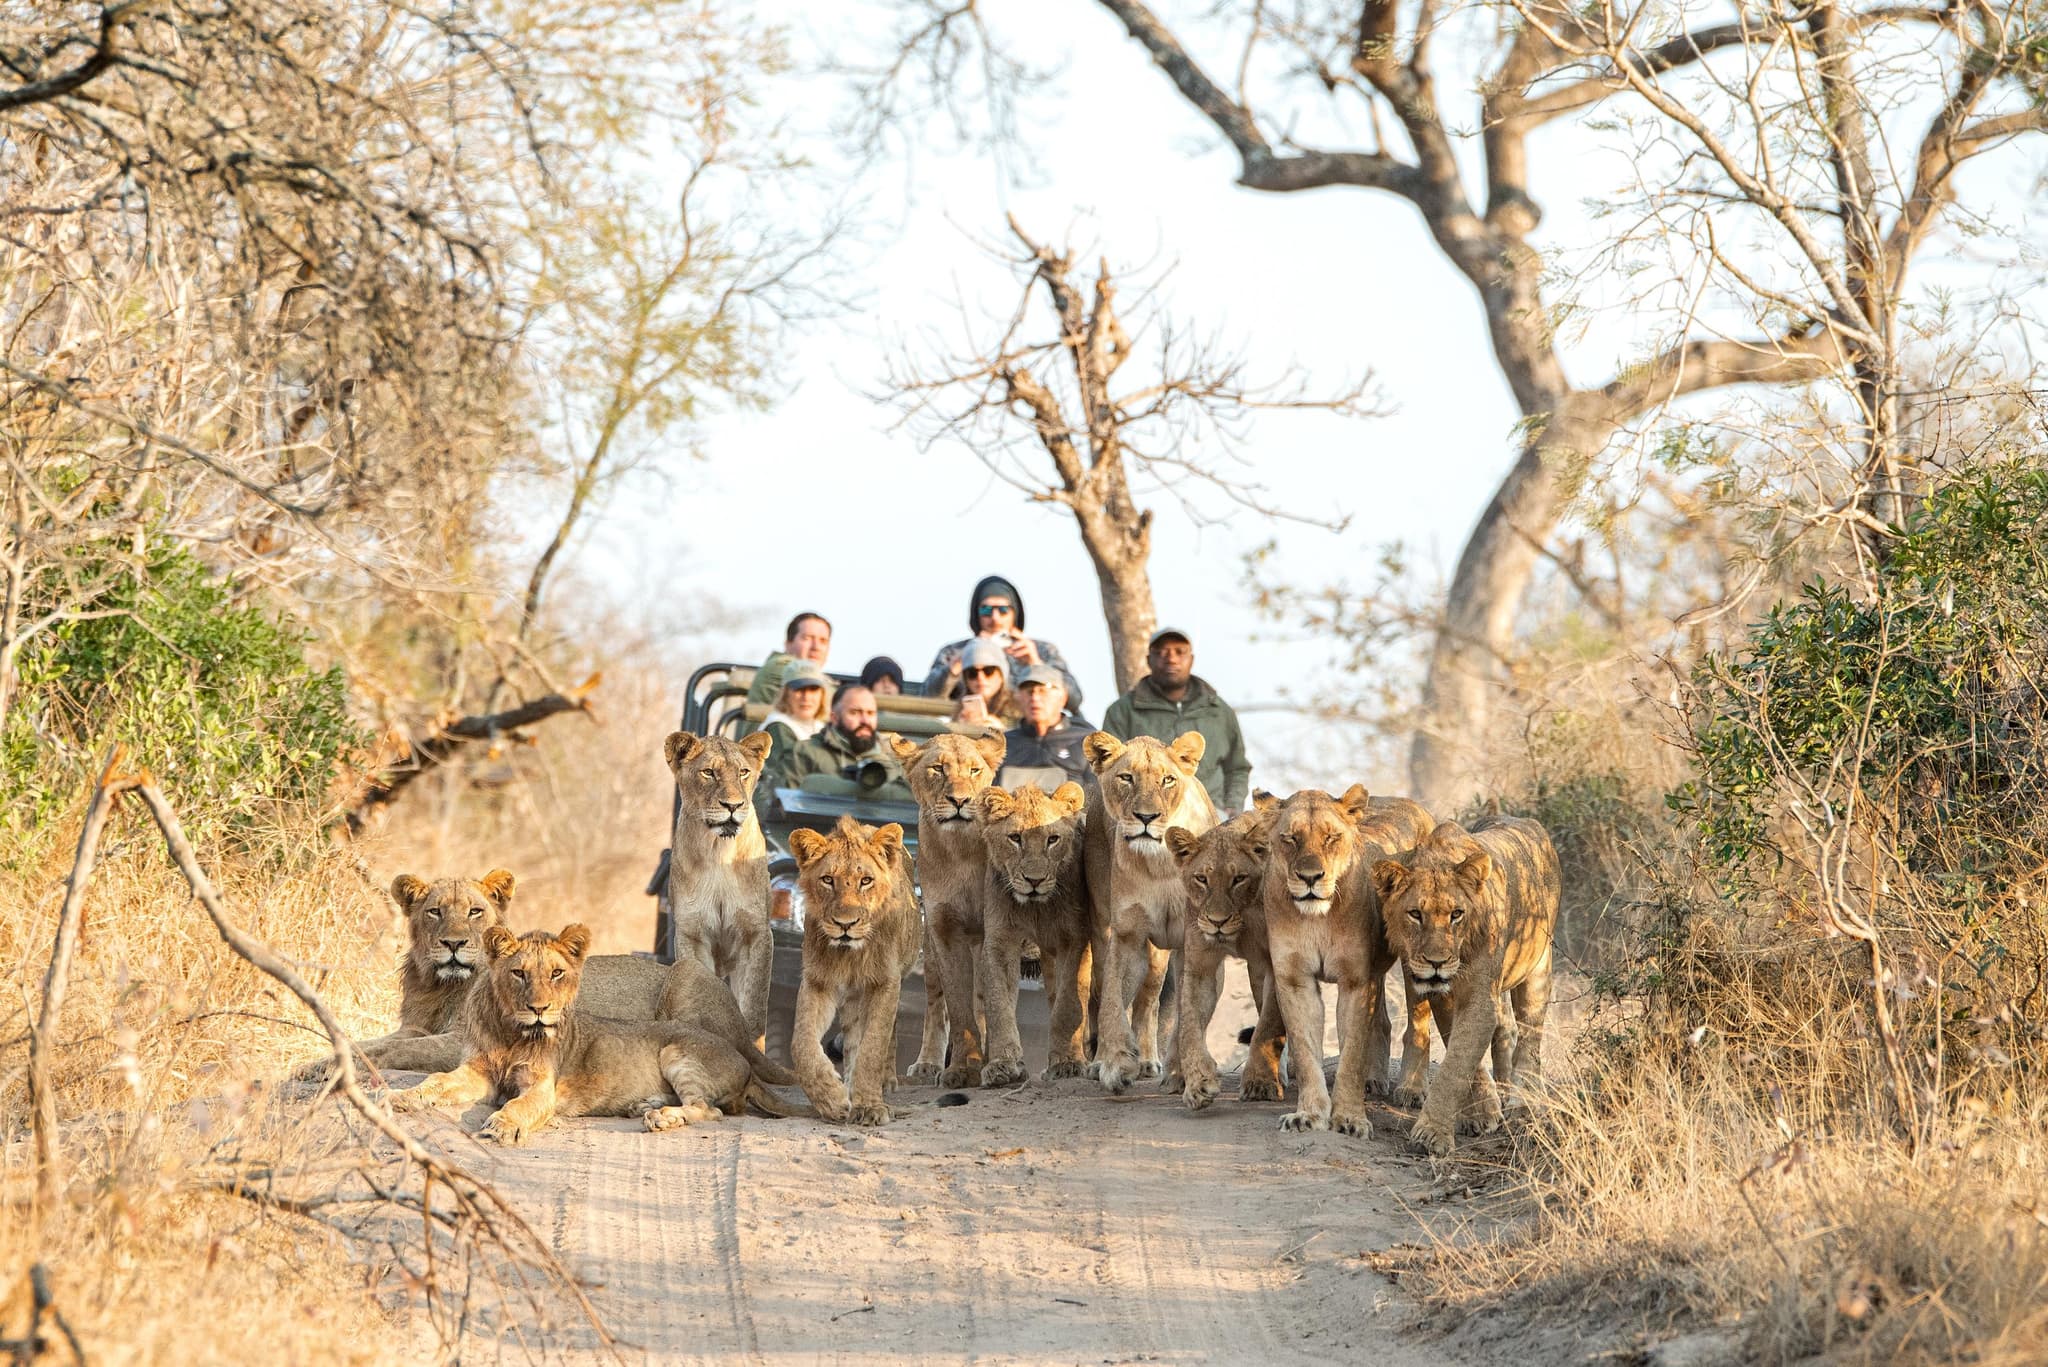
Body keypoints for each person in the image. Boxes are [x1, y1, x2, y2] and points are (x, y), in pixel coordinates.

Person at [1101, 627, 1252, 811]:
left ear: (1191, 659)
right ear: (1148, 659)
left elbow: (1237, 767)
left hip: (1210, 811)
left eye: (1180, 652)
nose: (1171, 659)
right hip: (1147, 812)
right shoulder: (1122, 711)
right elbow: (1107, 769)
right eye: (1162, 652)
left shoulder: (1218, 710)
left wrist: (1232, 808)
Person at [924, 575, 1083, 711]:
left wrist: (1036, 665)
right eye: (986, 610)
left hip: (1025, 732)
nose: (995, 618)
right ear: (976, 613)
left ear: (1015, 612)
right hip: (969, 730)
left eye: (1003, 610)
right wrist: (957, 665)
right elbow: (927, 699)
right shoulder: (955, 651)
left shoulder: (1041, 650)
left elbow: (1074, 699)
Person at [759, 685, 912, 817]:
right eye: (855, 713)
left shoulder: (895, 760)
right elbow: (781, 810)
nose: (865, 720)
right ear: (834, 717)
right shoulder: (804, 753)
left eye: (870, 713)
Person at [997, 666, 1093, 789]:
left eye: (1042, 691)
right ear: (1018, 697)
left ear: (1062, 698)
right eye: (1029, 691)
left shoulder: (1086, 743)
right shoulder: (1002, 745)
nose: (1035, 698)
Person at [746, 611, 833, 708]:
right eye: (807, 638)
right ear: (788, 643)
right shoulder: (781, 667)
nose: (816, 647)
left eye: (823, 641)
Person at [757, 661, 830, 766]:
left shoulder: (822, 727)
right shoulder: (778, 727)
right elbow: (788, 770)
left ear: (822, 694)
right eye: (799, 689)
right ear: (785, 694)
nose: (806, 697)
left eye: (813, 689)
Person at [950, 638, 1020, 728]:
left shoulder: (1022, 705)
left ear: (1001, 675)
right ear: (965, 679)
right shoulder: (960, 711)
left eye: (988, 671)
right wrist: (959, 730)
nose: (980, 677)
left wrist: (1002, 731)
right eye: (972, 673)